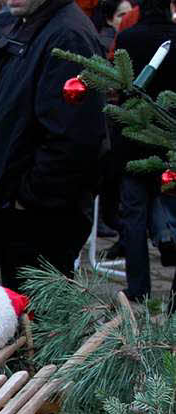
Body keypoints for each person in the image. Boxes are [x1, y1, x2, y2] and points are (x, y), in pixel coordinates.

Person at [0, 0, 106, 290]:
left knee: (40, 323)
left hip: (40, 222)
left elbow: (73, 140)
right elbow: (2, 122)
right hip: (16, 215)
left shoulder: (68, 36)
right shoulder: (26, 26)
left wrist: (24, 199)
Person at [115, 0, 176, 302]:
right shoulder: (172, 37)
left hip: (134, 136)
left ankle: (138, 286)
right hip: (170, 137)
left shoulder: (127, 38)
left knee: (134, 215)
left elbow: (121, 86)